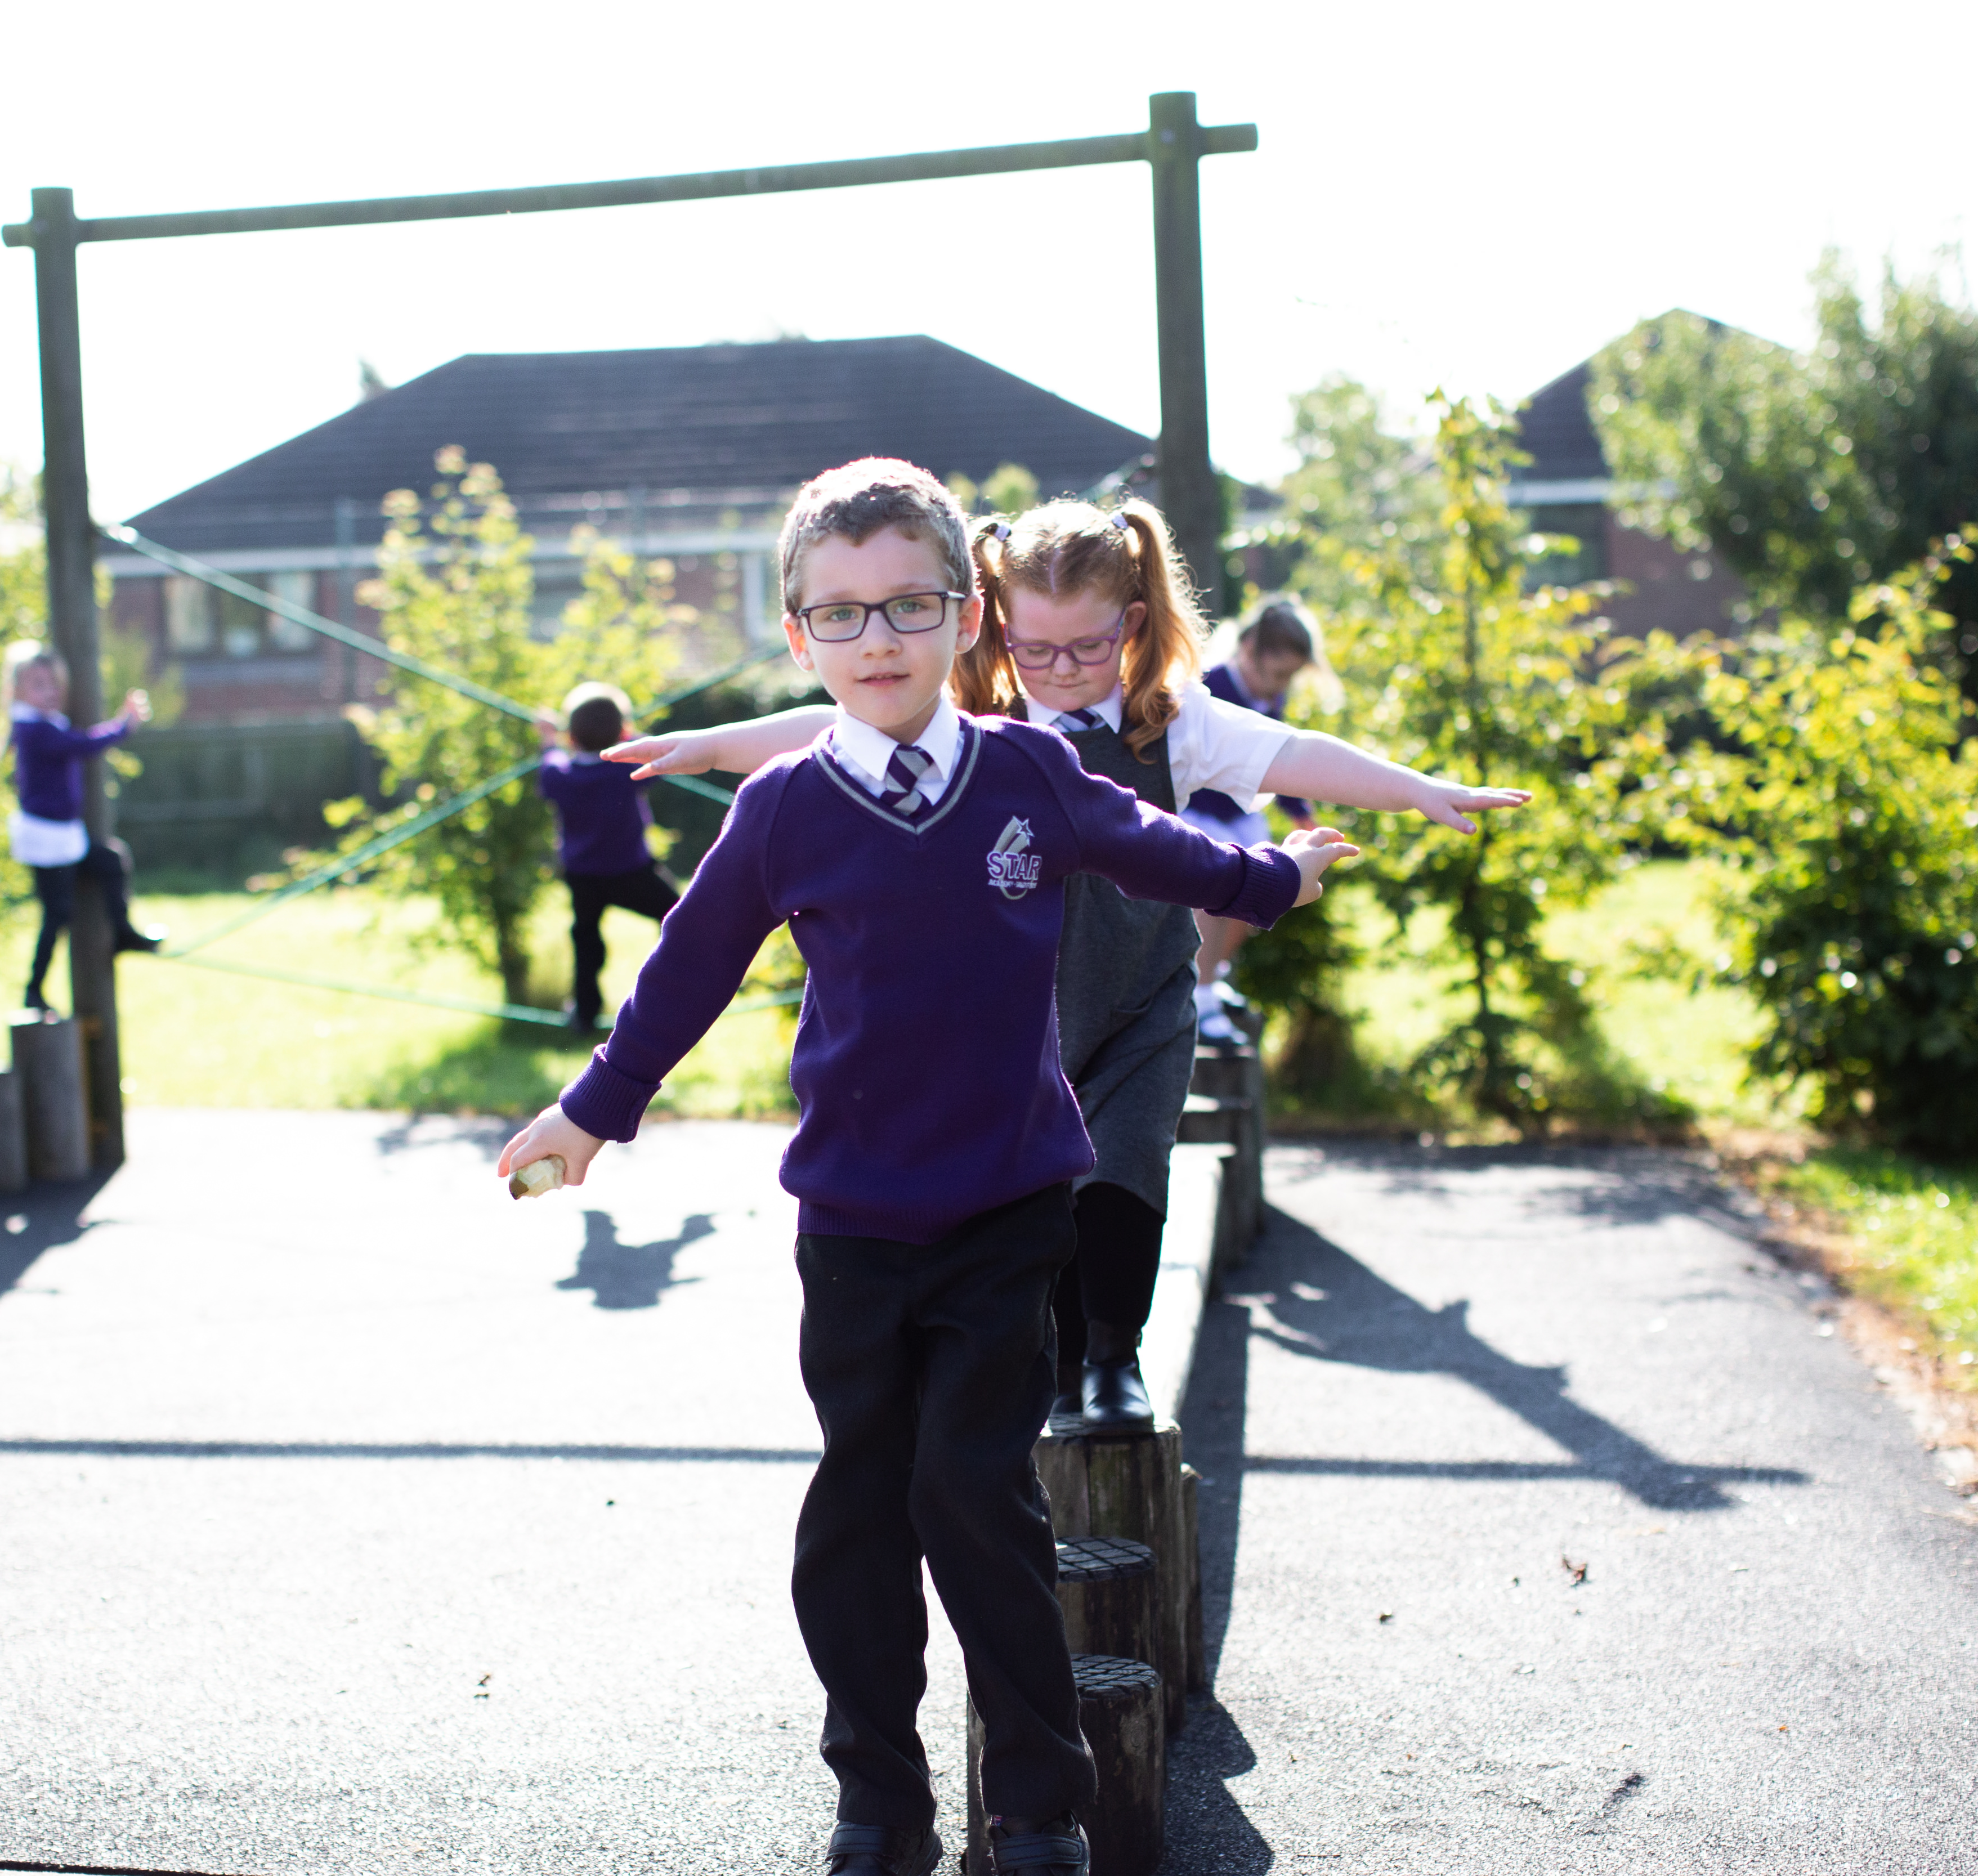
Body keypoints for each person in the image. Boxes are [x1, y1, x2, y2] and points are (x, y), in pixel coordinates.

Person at [497, 460, 1359, 1876]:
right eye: (840, 616)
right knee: (858, 1504)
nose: (878, 638)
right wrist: (594, 1110)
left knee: (973, 1487)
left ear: (968, 618)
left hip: (1008, 1206)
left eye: (909, 602)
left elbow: (1158, 852)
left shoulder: (1029, 773)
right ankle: (879, 1798)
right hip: (851, 1223)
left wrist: (1275, 877)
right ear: (799, 639)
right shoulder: (784, 812)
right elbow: (687, 969)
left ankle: (1035, 1803)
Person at [608, 504, 1525, 1435]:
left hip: (1140, 997)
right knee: (1034, 1204)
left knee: (1126, 1174)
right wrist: (718, 745)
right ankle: (1054, 1363)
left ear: (1129, 625)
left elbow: (1295, 754)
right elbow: (833, 720)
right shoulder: (982, 722)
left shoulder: (1169, 720)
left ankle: (1116, 1358)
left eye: (1084, 649)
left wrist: (1417, 790)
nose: (1059, 671)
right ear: (999, 630)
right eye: (1035, 650)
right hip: (1025, 1010)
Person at [1185, 597, 1332, 1043]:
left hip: (1238, 812)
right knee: (1215, 895)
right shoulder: (1210, 684)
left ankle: (1212, 971)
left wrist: (1300, 811)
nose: (1280, 687)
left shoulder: (1269, 695)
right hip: (1196, 809)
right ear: (1250, 648)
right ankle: (1202, 996)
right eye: (1278, 674)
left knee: (1266, 894)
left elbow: (1278, 754)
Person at [0, 642, 162, 1013]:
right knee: (56, 915)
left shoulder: (45, 724)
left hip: (66, 835)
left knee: (111, 860)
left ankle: (122, 931)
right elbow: (83, 745)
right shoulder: (33, 729)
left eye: (54, 684)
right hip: (47, 838)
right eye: (40, 685)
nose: (50, 692)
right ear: (19, 690)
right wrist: (124, 725)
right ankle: (34, 990)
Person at [536, 681, 679, 1031]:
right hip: (629, 869)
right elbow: (654, 752)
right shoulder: (626, 769)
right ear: (623, 732)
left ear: (572, 738)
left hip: (583, 874)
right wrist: (627, 734)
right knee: (678, 915)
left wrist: (547, 740)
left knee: (586, 939)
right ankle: (679, 991)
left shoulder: (560, 774)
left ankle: (585, 1012)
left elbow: (550, 762)